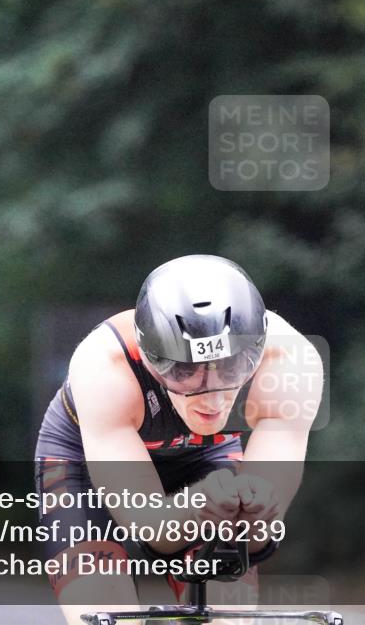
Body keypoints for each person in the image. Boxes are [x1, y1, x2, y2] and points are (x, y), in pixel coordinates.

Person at [34, 254, 322, 625]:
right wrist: (200, 502)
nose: (212, 396)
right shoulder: (105, 367)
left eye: (233, 366)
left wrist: (258, 512)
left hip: (205, 456)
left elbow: (255, 540)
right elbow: (154, 531)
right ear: (150, 358)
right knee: (106, 615)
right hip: (82, 459)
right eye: (184, 370)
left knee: (228, 612)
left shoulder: (289, 359)